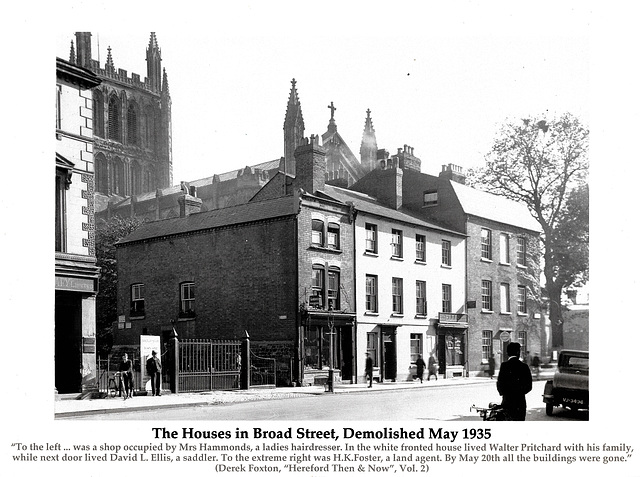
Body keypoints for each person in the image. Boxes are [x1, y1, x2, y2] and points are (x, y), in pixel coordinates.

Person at [496, 342, 533, 421]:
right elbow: (529, 386)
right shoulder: (524, 366)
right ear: (517, 352)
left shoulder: (504, 366)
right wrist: (519, 392)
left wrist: (505, 393)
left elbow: (499, 383)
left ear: (507, 353)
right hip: (520, 403)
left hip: (507, 402)